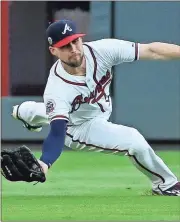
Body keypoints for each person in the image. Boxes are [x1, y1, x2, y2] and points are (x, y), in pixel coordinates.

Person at [12, 19, 180, 196]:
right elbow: (57, 133)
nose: (74, 49)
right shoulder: (57, 90)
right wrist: (45, 163)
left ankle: (24, 112)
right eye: (65, 46)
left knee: (47, 110)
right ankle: (165, 184)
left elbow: (151, 51)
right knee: (134, 141)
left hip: (95, 108)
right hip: (79, 127)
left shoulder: (103, 51)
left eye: (75, 41)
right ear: (54, 51)